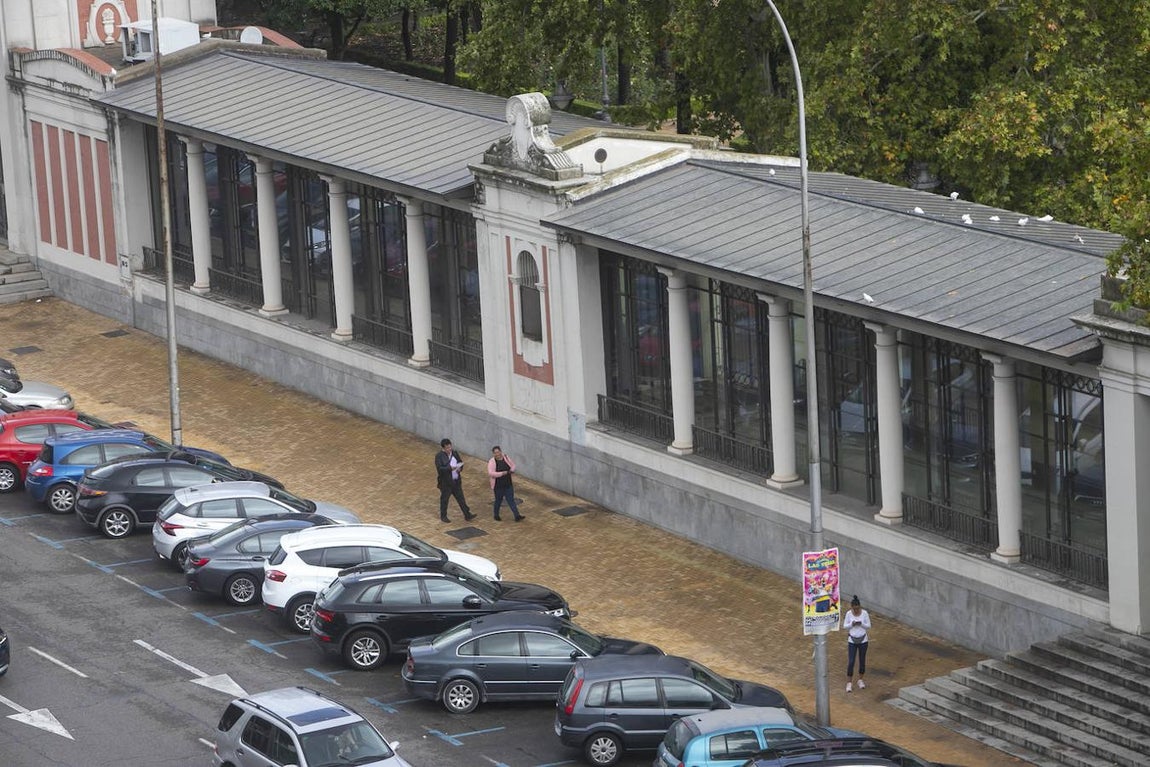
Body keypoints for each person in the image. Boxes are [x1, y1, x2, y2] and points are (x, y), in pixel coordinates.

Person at [435, 438, 475, 523]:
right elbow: (440, 469)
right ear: (443, 448)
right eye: (447, 448)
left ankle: (467, 514)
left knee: (461, 499)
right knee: (445, 499)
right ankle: (443, 516)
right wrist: (450, 468)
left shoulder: (455, 453)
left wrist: (460, 468)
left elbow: (460, 462)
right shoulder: (439, 456)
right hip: (446, 483)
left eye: (450, 447)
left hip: (456, 481)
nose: (449, 449)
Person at [487, 446, 524, 522]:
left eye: (498, 452)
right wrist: (502, 473)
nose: (497, 454)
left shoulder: (506, 457)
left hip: (508, 484)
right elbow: (491, 473)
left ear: (500, 451)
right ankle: (496, 515)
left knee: (511, 500)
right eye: (495, 453)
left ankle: (517, 516)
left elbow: (513, 465)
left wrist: (511, 470)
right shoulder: (492, 462)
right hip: (498, 486)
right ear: (493, 454)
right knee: (498, 500)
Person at [843, 595, 871, 692]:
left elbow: (868, 626)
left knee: (862, 661)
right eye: (854, 609)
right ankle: (849, 682)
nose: (856, 611)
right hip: (852, 640)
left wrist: (861, 624)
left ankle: (860, 679)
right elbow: (845, 626)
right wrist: (852, 624)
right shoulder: (848, 614)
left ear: (860, 607)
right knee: (851, 661)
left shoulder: (864, 613)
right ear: (851, 607)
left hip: (863, 640)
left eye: (857, 609)